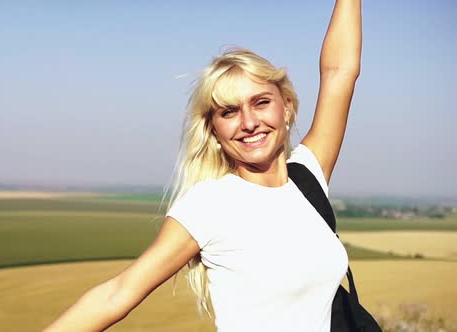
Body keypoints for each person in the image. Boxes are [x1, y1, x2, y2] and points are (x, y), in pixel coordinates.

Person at [44, 0, 361, 330]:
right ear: (214, 128)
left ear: (288, 107)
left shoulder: (309, 176)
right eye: (228, 112)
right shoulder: (208, 205)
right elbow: (117, 294)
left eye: (261, 102)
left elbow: (340, 72)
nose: (249, 122)